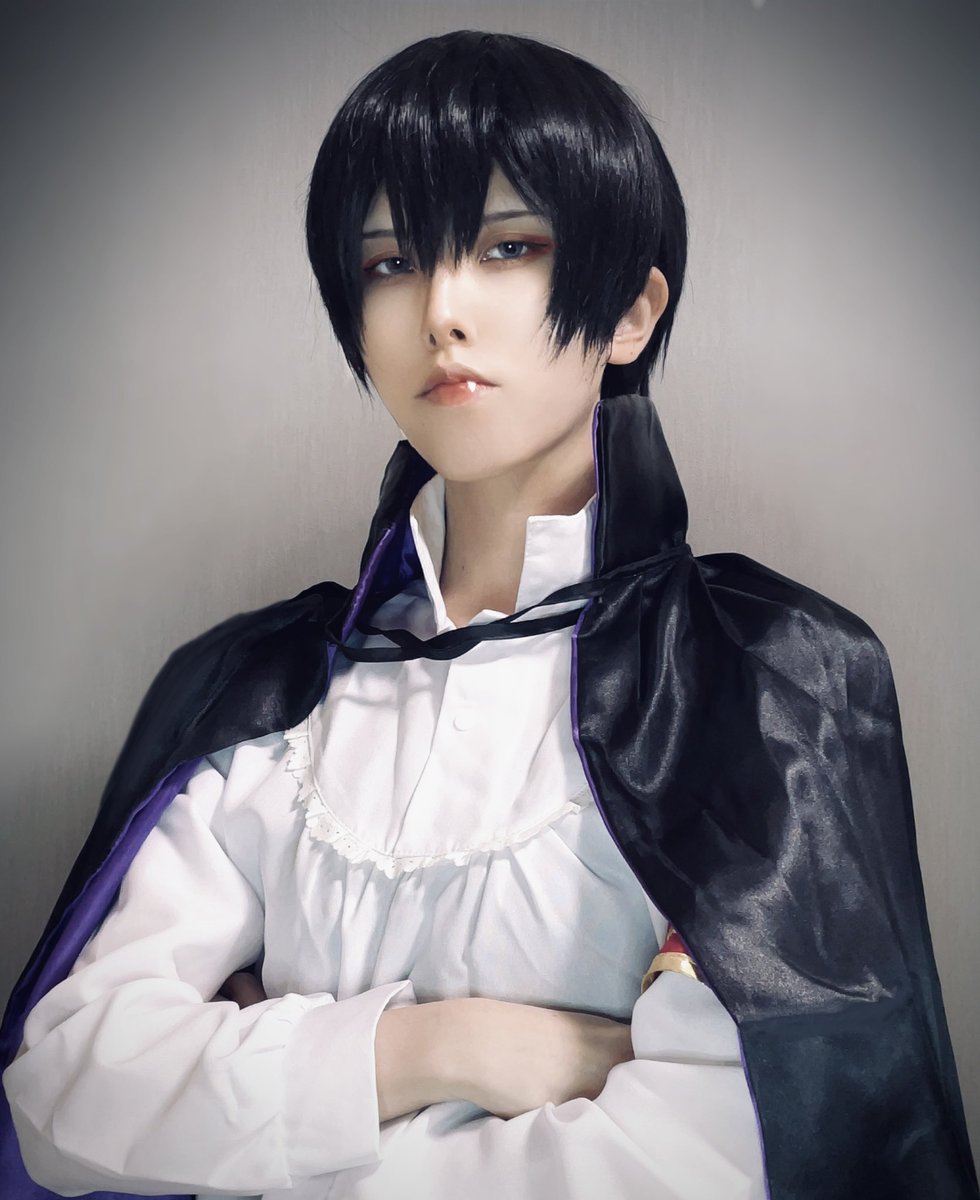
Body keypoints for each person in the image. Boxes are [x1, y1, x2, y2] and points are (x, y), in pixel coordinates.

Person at [1, 28, 976, 1200]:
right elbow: (62, 1097)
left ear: (629, 313)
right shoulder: (260, 692)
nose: (440, 309)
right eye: (388, 262)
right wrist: (441, 1047)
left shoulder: (760, 680)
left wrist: (254, 1101)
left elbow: (719, 1157)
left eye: (509, 246)